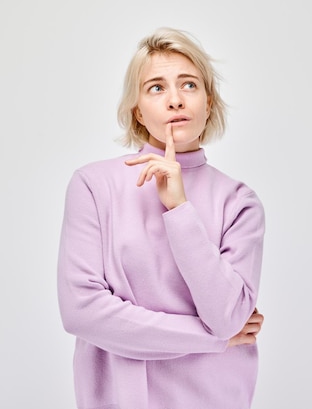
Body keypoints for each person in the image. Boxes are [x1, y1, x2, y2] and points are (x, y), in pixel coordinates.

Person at [57, 27, 266, 409]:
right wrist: (211, 339)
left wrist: (180, 209)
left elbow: (227, 318)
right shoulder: (93, 185)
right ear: (137, 109)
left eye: (188, 85)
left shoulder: (239, 201)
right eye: (156, 87)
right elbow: (81, 312)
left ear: (209, 101)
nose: (174, 100)